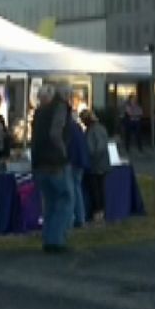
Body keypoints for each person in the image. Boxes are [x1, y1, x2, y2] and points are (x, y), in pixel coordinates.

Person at [31, 85, 73, 253]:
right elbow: (56, 133)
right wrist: (62, 153)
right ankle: (56, 241)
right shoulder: (59, 107)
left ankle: (48, 240)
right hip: (55, 163)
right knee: (64, 200)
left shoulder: (39, 112)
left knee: (49, 203)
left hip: (39, 163)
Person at [81, 110, 109, 224]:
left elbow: (98, 147)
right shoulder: (99, 128)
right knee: (99, 189)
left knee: (96, 190)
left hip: (95, 164)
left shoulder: (93, 130)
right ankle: (100, 211)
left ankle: (98, 212)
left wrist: (91, 156)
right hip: (99, 163)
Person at [66, 96, 91, 228]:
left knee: (71, 190)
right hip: (80, 162)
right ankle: (80, 218)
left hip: (72, 162)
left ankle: (71, 218)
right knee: (77, 189)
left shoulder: (67, 128)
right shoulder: (76, 127)